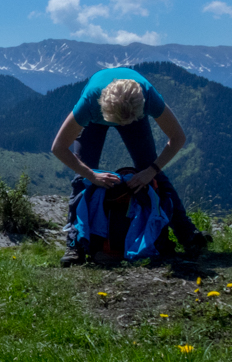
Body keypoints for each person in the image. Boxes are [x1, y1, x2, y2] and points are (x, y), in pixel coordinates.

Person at [50, 67, 209, 266]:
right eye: (117, 122)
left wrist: (151, 170)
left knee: (154, 173)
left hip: (133, 112)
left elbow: (178, 137)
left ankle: (187, 234)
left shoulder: (147, 96)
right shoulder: (90, 103)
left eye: (127, 122)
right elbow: (58, 147)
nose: (122, 126)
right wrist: (90, 174)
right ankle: (74, 243)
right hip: (97, 116)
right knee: (81, 179)